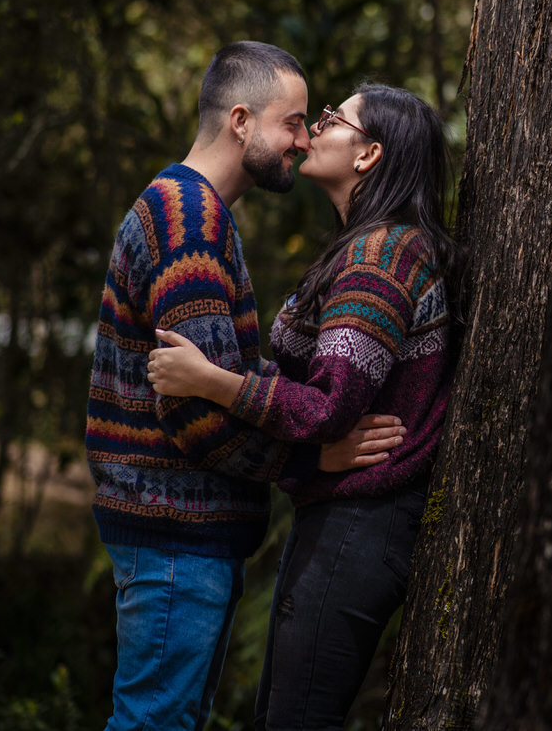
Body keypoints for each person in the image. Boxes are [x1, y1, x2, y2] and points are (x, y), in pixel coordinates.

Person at [86, 42, 403, 731]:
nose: (303, 139)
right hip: (175, 532)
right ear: (240, 121)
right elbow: (196, 413)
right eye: (292, 122)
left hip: (181, 532)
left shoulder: (194, 212)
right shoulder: (188, 221)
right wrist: (311, 458)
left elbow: (217, 378)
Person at [146, 83, 462, 730]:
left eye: (333, 119)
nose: (314, 129)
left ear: (368, 154)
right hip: (342, 515)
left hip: (363, 522)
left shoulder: (382, 256)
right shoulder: (363, 247)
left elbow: (328, 407)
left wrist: (212, 382)